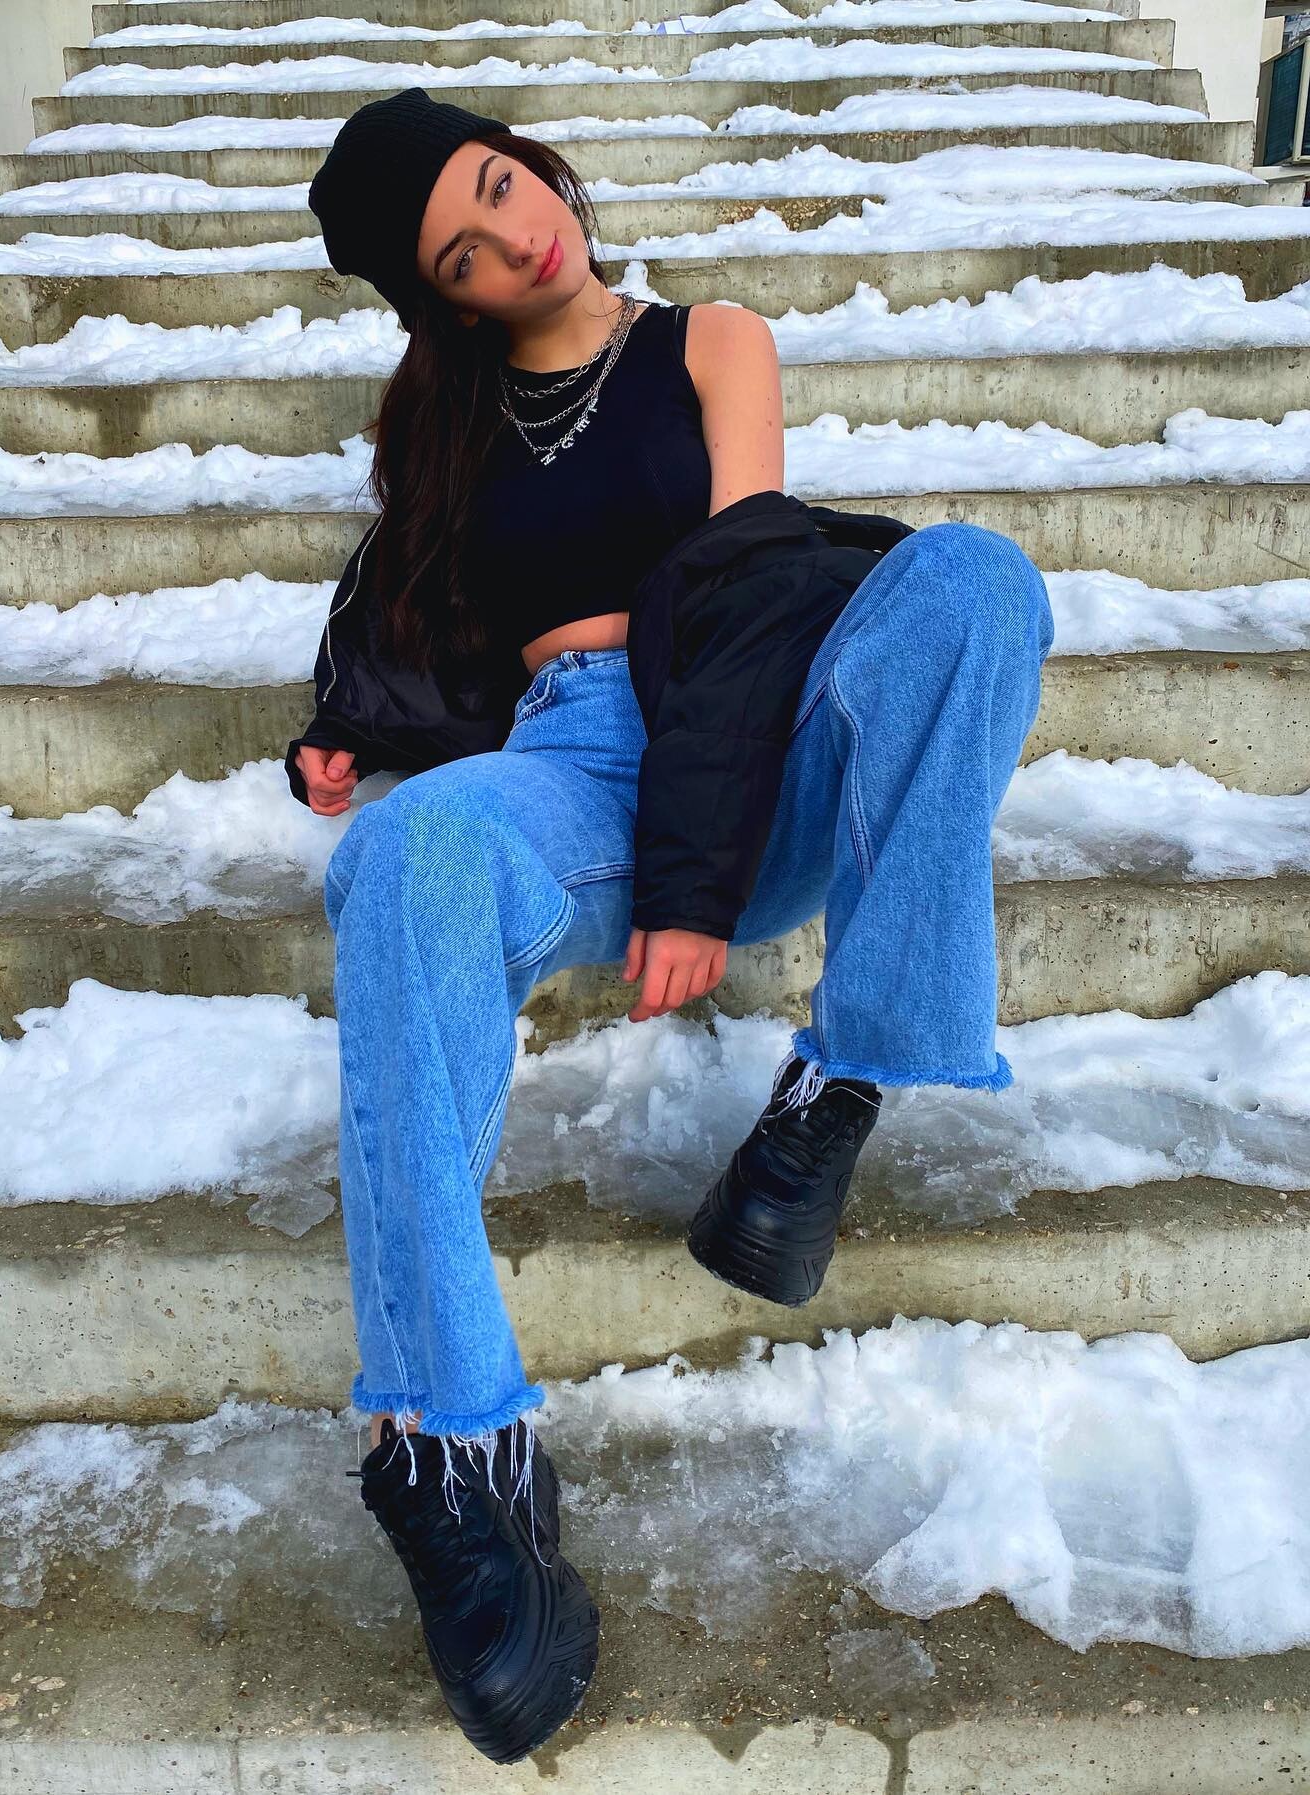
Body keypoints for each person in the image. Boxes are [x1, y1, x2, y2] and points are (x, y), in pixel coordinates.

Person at [290, 86, 1054, 1765]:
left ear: (533, 161)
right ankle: (454, 1453)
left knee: (974, 580)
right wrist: (350, 736)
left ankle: (832, 1095)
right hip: (570, 768)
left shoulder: (715, 341)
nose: (514, 241)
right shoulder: (450, 426)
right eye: (462, 254)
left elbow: (748, 604)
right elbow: (413, 617)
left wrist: (701, 881)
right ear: (444, 299)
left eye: (501, 188)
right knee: (406, 854)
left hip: (756, 741)